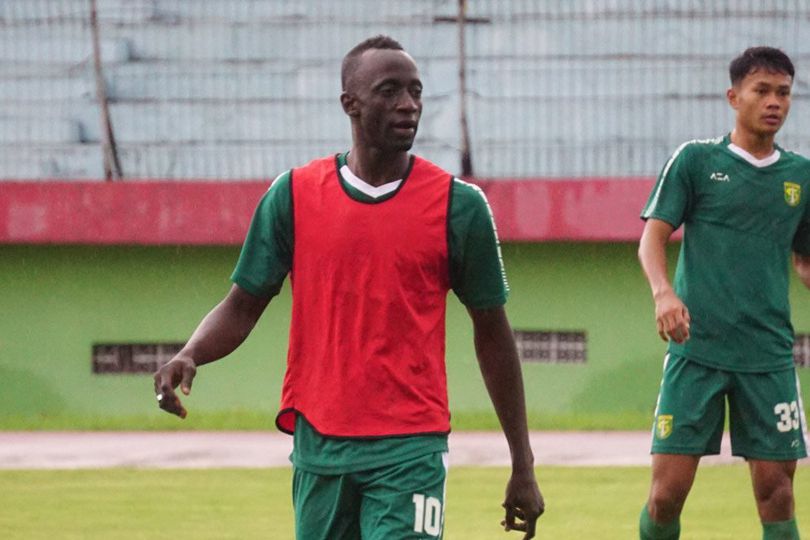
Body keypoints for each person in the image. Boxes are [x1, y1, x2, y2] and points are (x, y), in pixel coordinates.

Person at [153, 35, 544, 539]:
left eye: (416, 91)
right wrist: (191, 352)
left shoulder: (459, 206)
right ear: (350, 104)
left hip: (410, 447)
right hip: (321, 449)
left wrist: (523, 462)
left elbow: (493, 333)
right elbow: (243, 304)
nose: (409, 105)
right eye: (390, 91)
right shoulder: (292, 196)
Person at [638, 46, 810, 540]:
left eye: (783, 92)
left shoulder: (800, 177)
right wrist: (664, 294)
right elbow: (652, 238)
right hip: (698, 351)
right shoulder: (696, 160)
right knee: (666, 494)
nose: (774, 101)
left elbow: (805, 260)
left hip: (768, 357)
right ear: (734, 97)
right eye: (762, 91)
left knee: (776, 491)